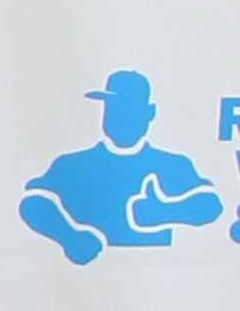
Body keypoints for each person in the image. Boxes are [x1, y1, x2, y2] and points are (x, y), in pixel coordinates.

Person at [18, 69, 222, 262]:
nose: (120, 116)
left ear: (150, 113)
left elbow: (210, 203)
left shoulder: (172, 165)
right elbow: (34, 201)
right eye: (113, 107)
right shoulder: (72, 165)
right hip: (79, 290)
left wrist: (166, 211)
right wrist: (69, 236)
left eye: (128, 108)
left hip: (162, 284)